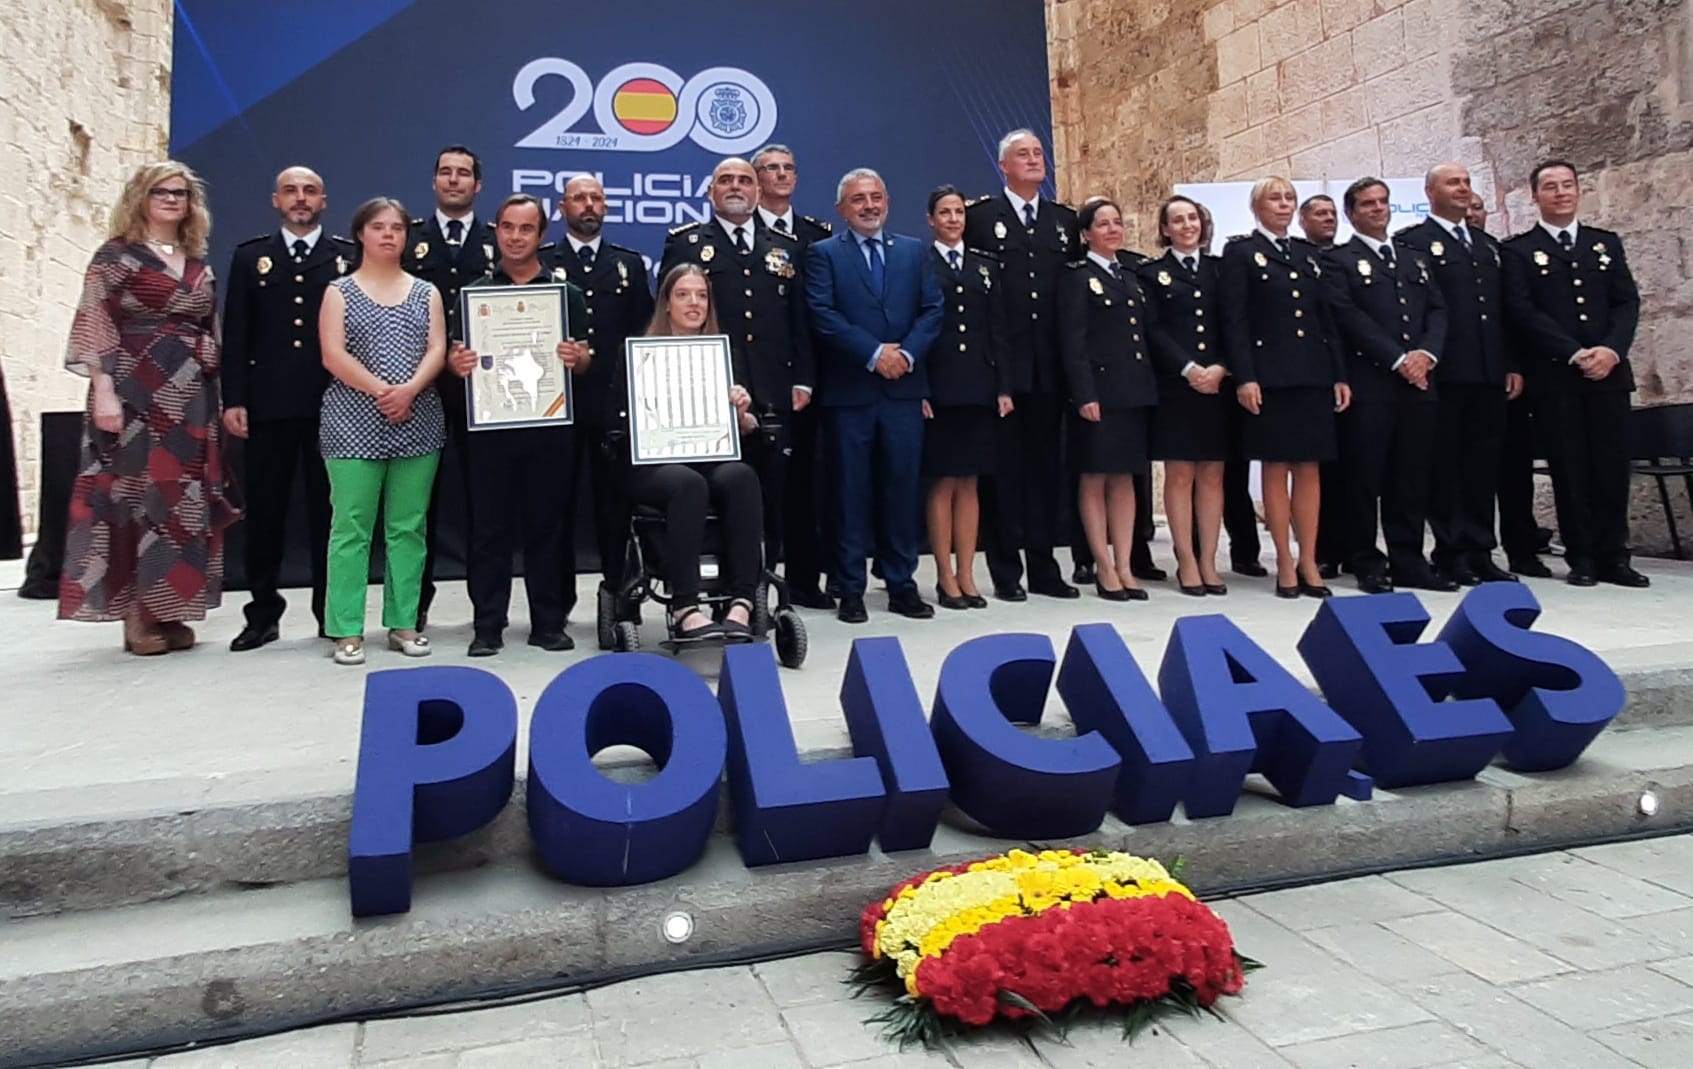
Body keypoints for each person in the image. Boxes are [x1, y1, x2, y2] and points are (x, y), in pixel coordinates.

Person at [58, 160, 239, 654]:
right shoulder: (115, 256)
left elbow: (209, 327)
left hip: (191, 396)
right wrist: (103, 390)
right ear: (140, 196)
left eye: (181, 193)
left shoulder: (196, 259)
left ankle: (168, 608)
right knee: (137, 497)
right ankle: (136, 617)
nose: (172, 199)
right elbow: (95, 321)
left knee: (182, 501)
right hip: (135, 388)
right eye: (161, 191)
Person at [448, 194, 594, 656]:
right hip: (491, 428)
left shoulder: (565, 294)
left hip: (549, 425)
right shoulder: (473, 294)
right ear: (496, 231)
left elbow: (587, 357)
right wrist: (459, 363)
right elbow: (455, 358)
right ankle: (488, 625)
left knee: (548, 527)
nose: (515, 237)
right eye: (508, 227)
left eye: (525, 229)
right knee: (488, 528)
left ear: (540, 235)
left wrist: (578, 358)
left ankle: (549, 623)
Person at [659, 158, 814, 580]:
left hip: (774, 390)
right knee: (716, 495)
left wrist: (802, 379)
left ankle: (763, 587)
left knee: (773, 498)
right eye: (725, 180)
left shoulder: (784, 246)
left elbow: (800, 321)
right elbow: (666, 321)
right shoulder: (687, 244)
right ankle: (718, 584)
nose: (735, 187)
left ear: (758, 192)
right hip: (708, 395)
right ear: (710, 192)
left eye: (744, 180)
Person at [222, 165, 355, 651]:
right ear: (275, 200)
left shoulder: (345, 257)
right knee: (266, 513)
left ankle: (332, 612)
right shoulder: (250, 257)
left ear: (324, 200)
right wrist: (233, 398)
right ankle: (261, 614)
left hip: (333, 406)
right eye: (291, 191)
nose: (301, 199)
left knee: (332, 514)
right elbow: (235, 334)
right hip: (267, 406)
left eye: (310, 191)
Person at [1502, 160, 1647, 588]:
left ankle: (1614, 555)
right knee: (1570, 468)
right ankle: (1582, 555)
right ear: (1535, 196)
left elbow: (1626, 303)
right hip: (1557, 377)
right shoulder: (1519, 251)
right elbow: (1522, 311)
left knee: (1611, 467)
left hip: (1609, 375)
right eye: (1550, 187)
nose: (1561, 192)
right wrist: (1573, 353)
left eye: (1568, 185)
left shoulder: (1605, 243)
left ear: (1579, 191)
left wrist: (1611, 350)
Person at [807, 168, 943, 623]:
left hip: (903, 390)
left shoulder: (911, 251)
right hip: (850, 393)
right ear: (842, 208)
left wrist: (905, 355)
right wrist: (871, 353)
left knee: (901, 489)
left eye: (877, 197)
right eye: (859, 199)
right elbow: (822, 313)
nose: (869, 206)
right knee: (849, 493)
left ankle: (901, 582)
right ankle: (850, 586)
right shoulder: (824, 253)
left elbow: (932, 309)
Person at [318, 197, 447, 665]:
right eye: (378, 227)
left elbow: (437, 348)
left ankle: (404, 622)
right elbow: (333, 355)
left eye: (397, 227)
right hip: (351, 424)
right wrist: (382, 391)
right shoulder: (339, 291)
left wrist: (409, 390)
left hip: (417, 421)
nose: (389, 235)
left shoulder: (425, 292)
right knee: (351, 527)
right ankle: (346, 628)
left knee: (408, 527)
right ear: (360, 234)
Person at [1219, 176, 1351, 598]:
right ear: (1257, 207)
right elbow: (1235, 320)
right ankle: (1284, 560)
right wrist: (1245, 376)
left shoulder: (1308, 253)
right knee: (1275, 468)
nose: (1283, 205)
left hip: (1311, 371)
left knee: (1310, 469)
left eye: (1289, 198)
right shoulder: (1241, 252)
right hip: (1270, 374)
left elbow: (1326, 319)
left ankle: (1308, 558)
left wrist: (1338, 374)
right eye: (1274, 198)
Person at [965, 129, 1082, 601]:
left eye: (1038, 153)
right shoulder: (980, 219)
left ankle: (1045, 565)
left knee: (1046, 469)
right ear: (1003, 167)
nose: (1034, 159)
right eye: (1022, 154)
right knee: (1005, 472)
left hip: (1050, 367)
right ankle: (1006, 569)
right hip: (1003, 367)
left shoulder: (1063, 221)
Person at [1322, 178, 1453, 594]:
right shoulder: (1339, 260)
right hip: (1372, 384)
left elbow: (1437, 309)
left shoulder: (1412, 259)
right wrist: (1397, 359)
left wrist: (1426, 355)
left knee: (1411, 477)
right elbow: (1348, 317)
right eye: (1367, 204)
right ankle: (1366, 560)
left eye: (1383, 202)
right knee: (1364, 479)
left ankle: (1408, 558)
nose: (1378, 209)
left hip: (1418, 384)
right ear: (1352, 213)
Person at [625, 265, 765, 639]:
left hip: (712, 455)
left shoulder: (724, 352)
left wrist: (741, 413)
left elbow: (750, 427)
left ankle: (742, 600)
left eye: (701, 295)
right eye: (683, 294)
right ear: (667, 304)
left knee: (741, 477)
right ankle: (686, 605)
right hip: (657, 464)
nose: (693, 303)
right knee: (686, 483)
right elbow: (619, 421)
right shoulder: (641, 353)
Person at [1396, 163, 1517, 585]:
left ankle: (1481, 549)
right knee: (1444, 466)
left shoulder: (1486, 246)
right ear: (1430, 192)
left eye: (1466, 182)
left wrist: (1510, 364)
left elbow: (1503, 312)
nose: (1463, 189)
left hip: (1487, 371)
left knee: (1483, 466)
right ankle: (1451, 551)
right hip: (1443, 372)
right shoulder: (1412, 244)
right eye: (1453, 183)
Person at [404, 145, 498, 627]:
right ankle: (412, 607)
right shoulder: (410, 240)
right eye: (446, 173)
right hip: (422, 389)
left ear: (477, 185)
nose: (454, 180)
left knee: (483, 505)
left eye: (464, 174)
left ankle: (486, 612)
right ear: (434, 182)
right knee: (418, 505)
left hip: (487, 391)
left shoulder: (498, 239)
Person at [551, 175, 654, 616]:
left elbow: (644, 336)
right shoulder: (544, 263)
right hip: (557, 406)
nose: (588, 205)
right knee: (556, 509)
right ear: (562, 208)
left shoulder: (628, 264)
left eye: (596, 198)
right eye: (579, 199)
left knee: (615, 508)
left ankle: (621, 597)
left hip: (614, 407)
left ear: (606, 207)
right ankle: (555, 606)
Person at [1060, 199, 1159, 601]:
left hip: (1131, 390)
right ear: (1086, 234)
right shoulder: (1077, 277)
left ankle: (1124, 564)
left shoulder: (1130, 276)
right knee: (1095, 476)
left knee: (1125, 479)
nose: (1113, 230)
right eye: (1103, 224)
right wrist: (1084, 393)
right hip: (1097, 393)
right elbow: (1073, 341)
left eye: (1117, 223)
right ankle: (1102, 564)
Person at [751, 143, 837, 609]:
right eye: (771, 168)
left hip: (808, 380)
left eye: (789, 167)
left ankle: (805, 580)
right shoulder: (744, 235)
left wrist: (806, 378)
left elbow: (813, 316)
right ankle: (762, 584)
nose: (781, 175)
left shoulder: (815, 234)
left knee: (807, 488)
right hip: (759, 379)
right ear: (756, 178)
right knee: (763, 490)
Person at [922, 185, 1011, 610]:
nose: (954, 219)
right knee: (944, 482)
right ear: (931, 220)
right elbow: (914, 328)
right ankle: (943, 574)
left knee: (971, 482)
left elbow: (999, 331)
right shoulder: (919, 264)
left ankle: (967, 573)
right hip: (939, 388)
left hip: (979, 385)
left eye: (958, 211)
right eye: (944, 212)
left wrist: (1004, 386)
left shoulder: (985, 267)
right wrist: (919, 386)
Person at [1141, 195, 1230, 596]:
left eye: (1192, 217)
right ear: (1165, 230)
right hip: (1178, 385)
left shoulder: (1220, 270)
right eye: (1177, 220)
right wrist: (1189, 368)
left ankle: (1210, 560)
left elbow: (1237, 323)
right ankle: (1186, 560)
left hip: (1218, 383)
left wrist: (1221, 367)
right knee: (1180, 475)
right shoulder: (1152, 274)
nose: (1187, 225)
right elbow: (1153, 329)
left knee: (1213, 474)